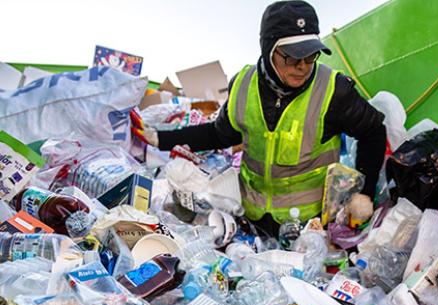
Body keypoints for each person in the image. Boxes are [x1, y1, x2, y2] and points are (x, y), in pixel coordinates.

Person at [145, 0, 386, 236]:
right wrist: (159, 139)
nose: (303, 66)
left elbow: (373, 131)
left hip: (308, 226)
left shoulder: (334, 90)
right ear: (269, 49)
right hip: (252, 219)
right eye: (292, 57)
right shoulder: (242, 85)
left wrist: (364, 192)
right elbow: (219, 134)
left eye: (311, 55)